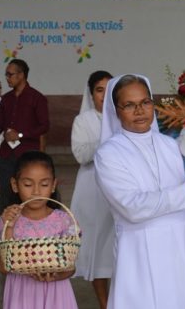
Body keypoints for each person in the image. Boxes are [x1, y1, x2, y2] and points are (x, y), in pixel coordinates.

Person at [94, 74, 185, 308]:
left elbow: (183, 201)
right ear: (115, 110)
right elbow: (133, 207)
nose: (139, 111)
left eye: (145, 102)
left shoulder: (169, 145)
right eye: (129, 105)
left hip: (182, 244)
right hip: (140, 248)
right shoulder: (108, 153)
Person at [0, 151, 78, 309]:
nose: (36, 191)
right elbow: (3, 267)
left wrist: (57, 275)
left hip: (56, 292)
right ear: (15, 185)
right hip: (22, 294)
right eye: (28, 184)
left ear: (53, 185)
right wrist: (9, 227)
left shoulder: (64, 220)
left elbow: (71, 268)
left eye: (44, 184)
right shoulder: (8, 221)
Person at [0, 59, 49, 214]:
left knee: (26, 194)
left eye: (10, 74)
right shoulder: (6, 99)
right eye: (6, 74)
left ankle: (26, 230)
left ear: (21, 75)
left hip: (27, 154)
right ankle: (6, 230)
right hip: (7, 154)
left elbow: (44, 126)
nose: (7, 78)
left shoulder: (37, 98)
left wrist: (20, 135)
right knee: (6, 193)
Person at [70, 70, 115, 309]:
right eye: (99, 90)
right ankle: (104, 303)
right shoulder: (83, 120)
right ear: (91, 93)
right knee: (98, 247)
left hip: (120, 191)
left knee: (118, 249)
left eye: (110, 89)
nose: (105, 95)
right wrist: (107, 140)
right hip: (92, 190)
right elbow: (80, 155)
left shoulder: (124, 117)